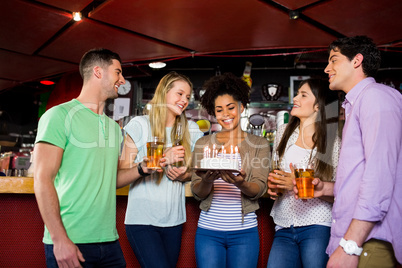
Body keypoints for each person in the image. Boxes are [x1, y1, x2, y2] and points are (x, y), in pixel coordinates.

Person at [34, 48, 127, 268]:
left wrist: (144, 169)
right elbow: (42, 179)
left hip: (110, 242)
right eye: (118, 72)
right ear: (98, 72)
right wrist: (59, 239)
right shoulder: (59, 116)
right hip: (71, 240)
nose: (122, 80)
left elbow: (108, 181)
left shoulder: (114, 129)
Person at [318, 35, 402, 268]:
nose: (327, 68)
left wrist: (350, 245)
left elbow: (379, 177)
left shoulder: (376, 97)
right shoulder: (357, 104)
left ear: (357, 60)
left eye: (333, 60)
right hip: (357, 239)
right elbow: (361, 178)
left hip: (368, 241)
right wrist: (324, 188)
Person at [117, 71, 203, 268]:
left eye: (188, 97)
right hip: (142, 221)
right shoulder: (139, 125)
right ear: (164, 93)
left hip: (174, 221)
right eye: (179, 94)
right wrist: (164, 157)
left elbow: (201, 171)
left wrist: (185, 175)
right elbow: (119, 177)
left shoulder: (192, 129)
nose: (184, 100)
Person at [191, 72, 270, 268]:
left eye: (230, 107)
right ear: (213, 113)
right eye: (219, 110)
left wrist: (240, 183)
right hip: (208, 231)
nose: (225, 114)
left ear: (241, 107)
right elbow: (197, 192)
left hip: (245, 233)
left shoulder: (259, 144)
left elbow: (260, 189)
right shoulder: (203, 144)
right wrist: (207, 180)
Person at [266, 78, 341, 268]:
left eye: (303, 94)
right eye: (297, 93)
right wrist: (275, 187)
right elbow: (277, 173)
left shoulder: (335, 141)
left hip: (317, 226)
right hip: (283, 225)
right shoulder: (283, 132)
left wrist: (296, 182)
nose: (296, 98)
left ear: (318, 105)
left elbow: (342, 193)